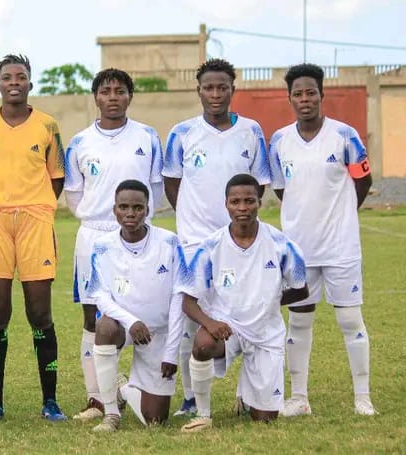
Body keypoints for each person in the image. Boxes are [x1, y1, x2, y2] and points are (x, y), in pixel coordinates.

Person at [162, 58, 271, 416]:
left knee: (247, 311)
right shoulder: (182, 133)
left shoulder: (252, 131)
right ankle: (191, 398)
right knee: (189, 319)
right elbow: (173, 184)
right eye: (208, 87)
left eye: (222, 87)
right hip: (194, 242)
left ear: (232, 90)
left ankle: (247, 391)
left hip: (238, 242)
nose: (215, 94)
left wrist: (238, 224)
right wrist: (192, 221)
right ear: (198, 91)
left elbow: (259, 185)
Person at [0, 54, 66, 421]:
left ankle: (50, 401)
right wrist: (0, 203)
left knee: (39, 312)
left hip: (35, 221)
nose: (14, 83)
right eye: (7, 77)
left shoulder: (47, 125)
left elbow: (57, 177)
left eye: (20, 77)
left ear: (30, 83)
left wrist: (34, 205)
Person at [269, 63, 376, 416]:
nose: (305, 99)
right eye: (297, 94)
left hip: (341, 247)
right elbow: (283, 190)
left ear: (321, 95)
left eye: (310, 93)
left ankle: (362, 397)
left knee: (350, 320)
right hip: (299, 250)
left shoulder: (345, 136)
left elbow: (363, 181)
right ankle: (299, 398)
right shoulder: (279, 141)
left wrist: (341, 215)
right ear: (289, 98)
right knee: (299, 321)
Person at [64, 68, 164, 420]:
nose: (112, 97)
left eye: (119, 91)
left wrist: (133, 221)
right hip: (94, 236)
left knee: (143, 308)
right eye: (105, 91)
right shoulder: (79, 142)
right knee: (93, 316)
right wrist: (99, 220)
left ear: (129, 96)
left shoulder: (147, 136)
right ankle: (97, 398)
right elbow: (74, 194)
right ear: (96, 97)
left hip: (139, 235)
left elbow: (156, 188)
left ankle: (142, 385)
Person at [178, 174, 309, 432]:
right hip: (227, 327)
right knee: (203, 344)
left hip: (265, 331)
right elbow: (188, 302)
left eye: (249, 201)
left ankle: (246, 394)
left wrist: (268, 303)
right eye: (235, 202)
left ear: (259, 202)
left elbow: (301, 289)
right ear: (226, 204)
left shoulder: (282, 245)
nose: (242, 208)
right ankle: (203, 414)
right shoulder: (210, 247)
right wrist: (210, 323)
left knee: (265, 419)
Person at [87, 180, 185, 432]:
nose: (130, 213)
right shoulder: (102, 246)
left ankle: (122, 388)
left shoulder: (170, 242)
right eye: (124, 207)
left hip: (158, 333)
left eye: (137, 208)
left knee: (155, 421)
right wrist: (131, 321)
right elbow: (100, 295)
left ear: (147, 210)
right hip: (124, 327)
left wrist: (171, 352)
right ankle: (111, 413)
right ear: (114, 210)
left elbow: (179, 298)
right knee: (104, 327)